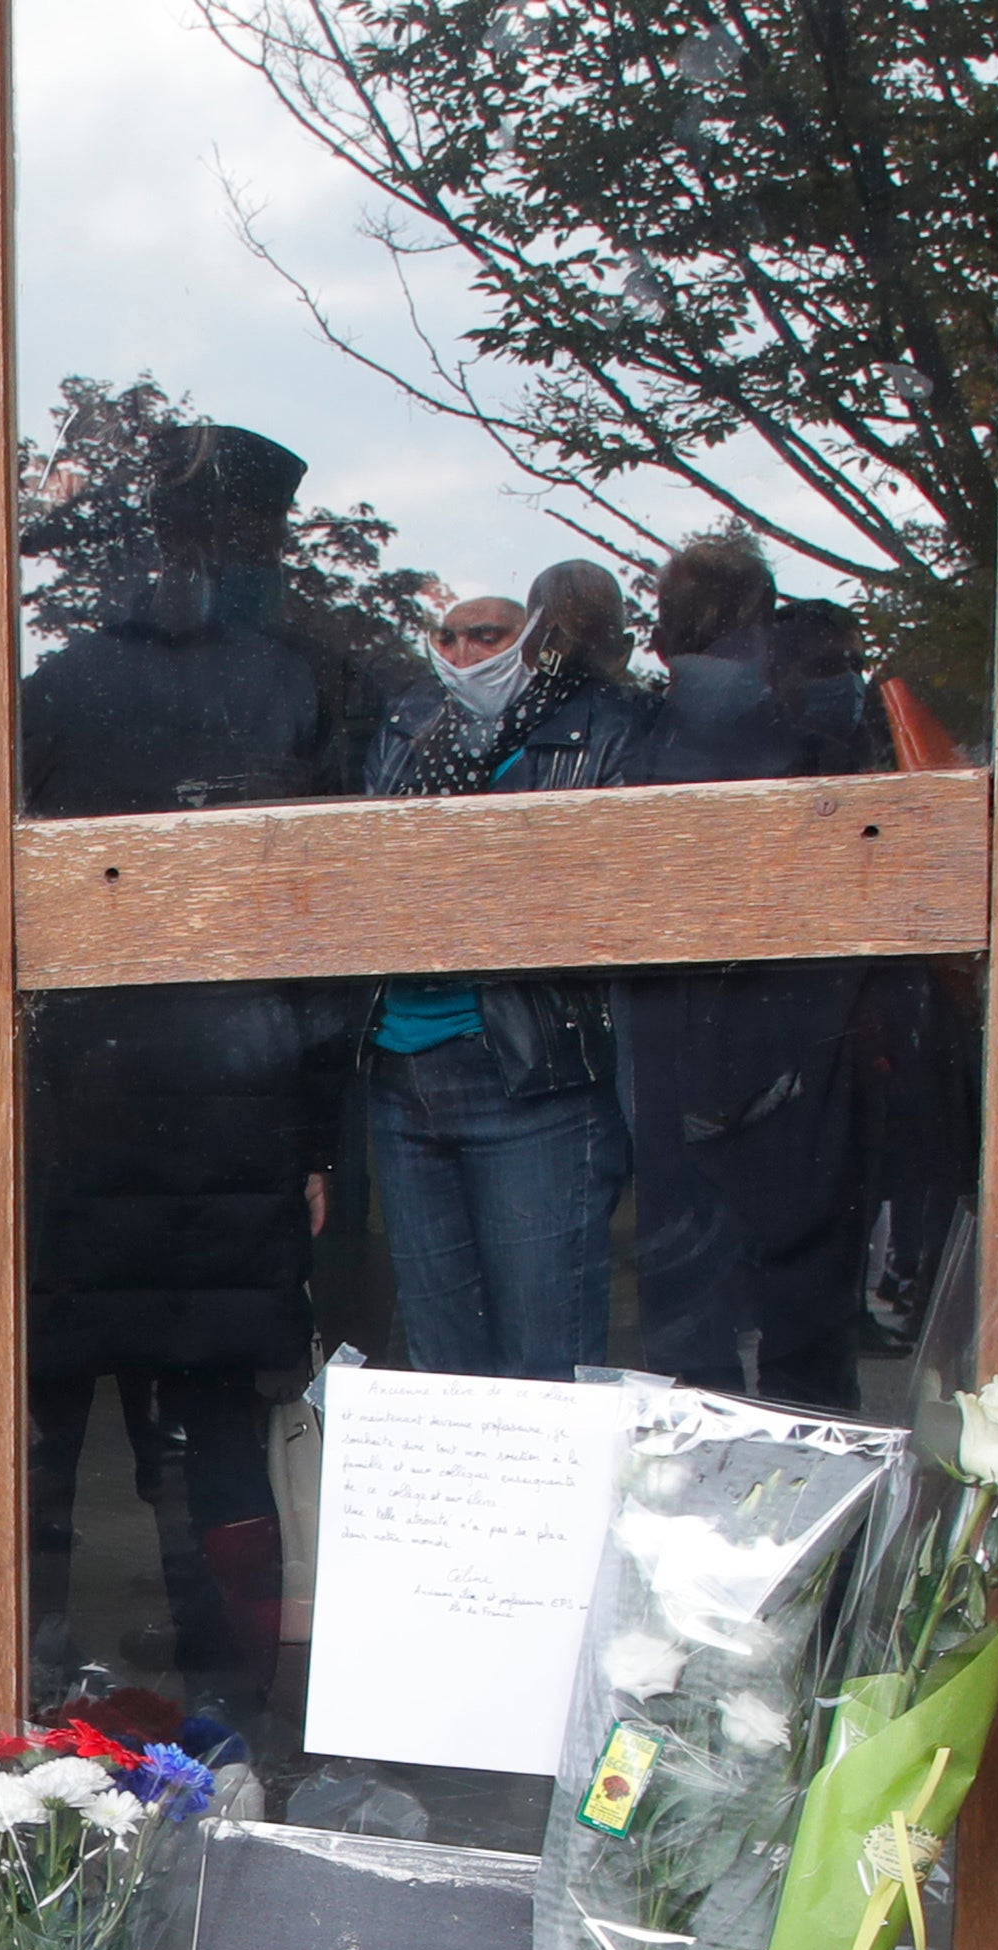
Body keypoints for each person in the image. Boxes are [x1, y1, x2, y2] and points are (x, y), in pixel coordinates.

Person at [15, 424, 361, 1729]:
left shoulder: (56, 691)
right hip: (240, 1106)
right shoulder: (298, 686)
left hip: (76, 1119)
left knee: (47, 1434)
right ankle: (233, 1703)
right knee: (214, 1441)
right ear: (251, 537)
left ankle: (29, 1676)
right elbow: (328, 941)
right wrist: (318, 1136)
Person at [356, 561, 651, 1378]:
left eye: (486, 633)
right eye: (446, 635)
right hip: (402, 1069)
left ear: (531, 635)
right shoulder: (410, 726)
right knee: (440, 1358)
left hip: (531, 1072)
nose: (463, 649)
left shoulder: (598, 721)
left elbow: (611, 887)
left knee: (546, 1355)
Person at [616, 529, 875, 1407]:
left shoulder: (665, 724)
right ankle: (821, 1514)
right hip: (796, 1020)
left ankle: (712, 1498)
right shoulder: (805, 709)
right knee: (800, 1307)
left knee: (698, 1320)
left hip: (700, 1025)